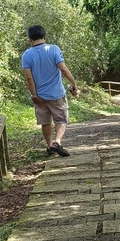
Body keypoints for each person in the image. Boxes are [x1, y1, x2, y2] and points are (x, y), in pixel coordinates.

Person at [21, 25, 79, 157]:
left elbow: (29, 78)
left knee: (45, 122)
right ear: (44, 36)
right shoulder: (53, 49)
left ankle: (49, 146)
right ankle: (57, 142)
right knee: (61, 120)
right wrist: (74, 84)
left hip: (39, 96)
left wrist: (34, 95)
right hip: (56, 94)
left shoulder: (26, 55)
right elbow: (63, 69)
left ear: (30, 39)